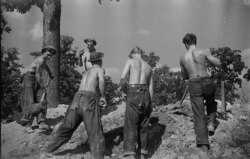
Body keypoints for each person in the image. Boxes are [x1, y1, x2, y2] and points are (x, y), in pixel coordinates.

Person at [44, 52, 107, 159]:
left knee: (66, 127)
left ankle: (47, 151)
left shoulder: (86, 72)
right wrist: (103, 96)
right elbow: (101, 81)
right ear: (100, 61)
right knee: (95, 132)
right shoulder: (100, 70)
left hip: (76, 98)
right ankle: (98, 157)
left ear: (91, 62)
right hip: (89, 99)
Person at [179, 33, 221, 151]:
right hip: (206, 80)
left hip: (194, 82)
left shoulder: (182, 57)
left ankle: (203, 143)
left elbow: (184, 76)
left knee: (198, 113)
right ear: (195, 42)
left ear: (186, 44)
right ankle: (211, 123)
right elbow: (218, 63)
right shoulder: (203, 52)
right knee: (211, 103)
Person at [119, 46, 153, 159]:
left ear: (133, 54)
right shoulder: (149, 67)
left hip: (134, 91)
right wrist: (150, 104)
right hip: (146, 94)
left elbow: (123, 77)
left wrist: (123, 92)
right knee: (144, 125)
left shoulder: (130, 61)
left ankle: (130, 154)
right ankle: (143, 152)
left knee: (131, 124)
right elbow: (151, 87)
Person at [20, 45, 56, 132]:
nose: (49, 57)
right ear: (43, 52)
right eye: (48, 54)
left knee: (42, 99)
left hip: (36, 79)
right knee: (30, 100)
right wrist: (43, 86)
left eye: (51, 55)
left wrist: (50, 74)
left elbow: (45, 66)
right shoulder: (41, 59)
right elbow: (37, 74)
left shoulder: (44, 60)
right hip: (29, 78)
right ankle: (27, 125)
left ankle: (41, 122)